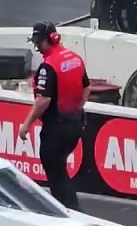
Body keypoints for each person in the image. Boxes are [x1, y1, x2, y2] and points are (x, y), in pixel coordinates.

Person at [18, 22, 89, 211]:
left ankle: (69, 211)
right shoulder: (75, 58)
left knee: (55, 171)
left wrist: (26, 125)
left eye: (39, 42)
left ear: (49, 40)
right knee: (60, 168)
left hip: (56, 128)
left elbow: (43, 100)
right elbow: (87, 88)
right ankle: (68, 208)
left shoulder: (48, 66)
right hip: (75, 123)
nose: (37, 47)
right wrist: (76, 109)